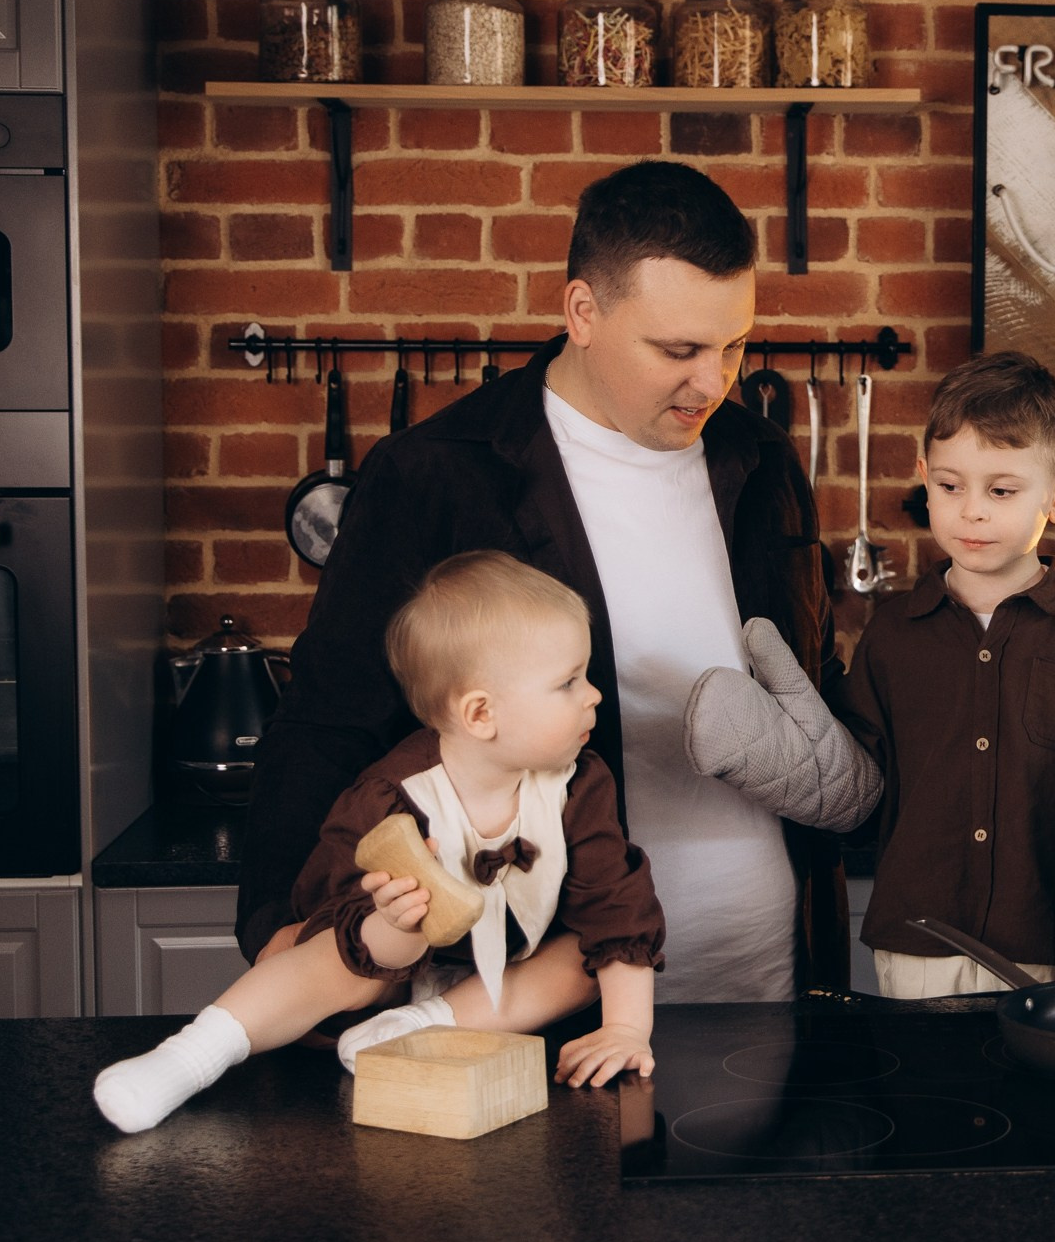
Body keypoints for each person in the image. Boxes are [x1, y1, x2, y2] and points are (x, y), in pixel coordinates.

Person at [239, 160, 846, 1005]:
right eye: (678, 349)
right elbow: (329, 720)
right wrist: (282, 919)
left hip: (769, 967)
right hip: (544, 986)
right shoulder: (436, 474)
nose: (714, 382)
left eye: (734, 345)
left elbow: (811, 685)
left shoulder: (763, 457)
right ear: (582, 311)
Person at [95, 553, 664, 1132]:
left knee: (586, 959)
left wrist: (626, 1028)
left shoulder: (579, 785)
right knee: (335, 961)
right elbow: (327, 922)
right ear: (481, 713)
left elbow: (618, 907)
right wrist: (394, 926)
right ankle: (188, 1058)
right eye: (569, 682)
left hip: (496, 987)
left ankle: (422, 1030)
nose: (593, 696)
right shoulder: (391, 798)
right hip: (385, 979)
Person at [833, 352, 1055, 998]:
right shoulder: (890, 636)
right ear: (923, 481)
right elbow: (854, 784)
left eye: (1001, 489)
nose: (972, 512)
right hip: (921, 945)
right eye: (949, 485)